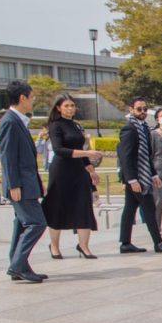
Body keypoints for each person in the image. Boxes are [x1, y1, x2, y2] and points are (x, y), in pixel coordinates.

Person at [41, 94, 103, 259]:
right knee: (58, 207)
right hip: (61, 171)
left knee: (83, 206)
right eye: (66, 106)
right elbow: (59, 150)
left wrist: (91, 171)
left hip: (78, 171)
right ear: (58, 108)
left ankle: (84, 246)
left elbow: (80, 150)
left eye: (72, 105)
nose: (70, 108)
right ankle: (54, 246)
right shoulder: (55, 125)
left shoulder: (76, 125)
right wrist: (87, 153)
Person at [0, 80, 47, 283]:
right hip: (21, 185)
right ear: (22, 98)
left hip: (27, 183)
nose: (33, 100)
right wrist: (14, 185)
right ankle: (17, 266)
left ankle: (19, 265)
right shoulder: (10, 122)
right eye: (32, 97)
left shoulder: (17, 121)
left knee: (21, 224)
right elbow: (8, 157)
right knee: (37, 223)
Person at [117, 97, 162, 255]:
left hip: (143, 174)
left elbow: (146, 155)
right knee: (149, 208)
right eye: (139, 109)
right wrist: (131, 179)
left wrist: (154, 174)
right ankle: (158, 242)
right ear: (131, 110)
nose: (143, 112)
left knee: (130, 209)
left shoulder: (144, 128)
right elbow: (125, 157)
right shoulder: (129, 129)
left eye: (145, 109)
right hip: (136, 177)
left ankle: (125, 243)